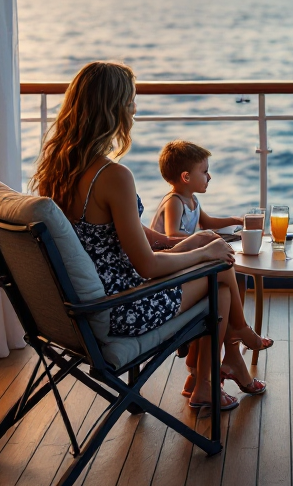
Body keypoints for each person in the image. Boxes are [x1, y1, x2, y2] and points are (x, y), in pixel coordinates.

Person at [31, 61, 271, 411]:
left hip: (82, 303)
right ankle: (218, 365)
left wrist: (181, 243)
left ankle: (222, 356)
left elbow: (107, 232)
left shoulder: (59, 168)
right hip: (121, 306)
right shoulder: (113, 175)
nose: (135, 108)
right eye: (131, 101)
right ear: (114, 109)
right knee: (219, 275)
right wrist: (203, 255)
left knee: (209, 249)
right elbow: (146, 266)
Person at [150, 141, 243, 237]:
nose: (209, 177)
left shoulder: (192, 199)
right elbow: (172, 234)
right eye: (204, 172)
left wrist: (237, 221)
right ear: (186, 177)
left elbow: (207, 223)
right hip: (162, 250)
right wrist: (200, 238)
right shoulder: (174, 201)